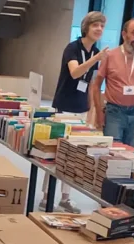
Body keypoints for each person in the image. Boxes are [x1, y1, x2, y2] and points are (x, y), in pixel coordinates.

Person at [44, 11, 107, 211]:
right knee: (56, 153)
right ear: (86, 27)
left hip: (81, 109)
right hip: (64, 107)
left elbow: (90, 83)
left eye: (102, 26)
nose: (99, 29)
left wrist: (91, 110)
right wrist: (96, 58)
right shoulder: (72, 48)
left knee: (73, 156)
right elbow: (75, 72)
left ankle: (65, 197)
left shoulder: (95, 51)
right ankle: (46, 195)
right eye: (95, 25)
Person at [90, 17, 134, 146]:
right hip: (114, 112)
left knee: (132, 152)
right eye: (133, 32)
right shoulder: (110, 55)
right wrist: (99, 112)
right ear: (124, 34)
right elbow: (96, 86)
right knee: (113, 151)